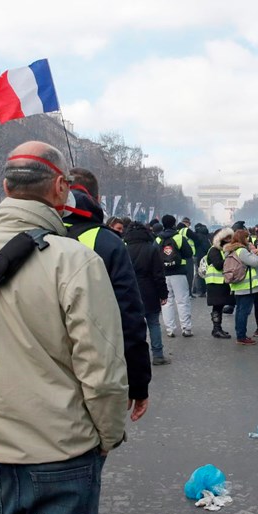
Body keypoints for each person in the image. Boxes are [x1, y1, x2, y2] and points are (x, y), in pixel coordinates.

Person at [0, 142, 128, 514]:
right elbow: (101, 366)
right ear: (60, 188)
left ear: (5, 188)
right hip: (65, 450)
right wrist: (107, 435)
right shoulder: (77, 260)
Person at [65, 169, 152, 412]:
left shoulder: (24, 237)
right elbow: (129, 316)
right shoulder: (108, 242)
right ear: (97, 197)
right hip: (91, 363)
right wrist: (137, 382)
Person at [123, 221, 170, 365]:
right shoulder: (151, 249)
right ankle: (158, 355)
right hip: (150, 290)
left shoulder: (123, 248)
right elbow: (158, 274)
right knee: (154, 323)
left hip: (130, 291)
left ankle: (137, 357)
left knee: (134, 326)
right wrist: (163, 294)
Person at [157, 214, 194, 337]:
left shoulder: (158, 239)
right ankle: (186, 328)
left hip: (163, 273)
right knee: (183, 301)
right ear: (174, 224)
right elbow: (189, 253)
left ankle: (170, 329)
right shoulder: (179, 237)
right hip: (179, 273)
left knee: (167, 302)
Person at [226, 228, 258, 345]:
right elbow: (254, 262)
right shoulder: (242, 251)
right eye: (246, 237)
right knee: (244, 311)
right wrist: (255, 251)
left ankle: (240, 334)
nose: (248, 239)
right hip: (246, 286)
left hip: (238, 285)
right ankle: (241, 336)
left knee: (239, 311)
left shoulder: (232, 250)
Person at [204, 228, 234, 339]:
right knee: (217, 306)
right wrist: (228, 256)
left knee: (220, 306)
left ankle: (218, 328)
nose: (229, 239)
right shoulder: (214, 250)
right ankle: (216, 329)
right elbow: (218, 265)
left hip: (222, 283)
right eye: (227, 237)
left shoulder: (222, 250)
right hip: (215, 283)